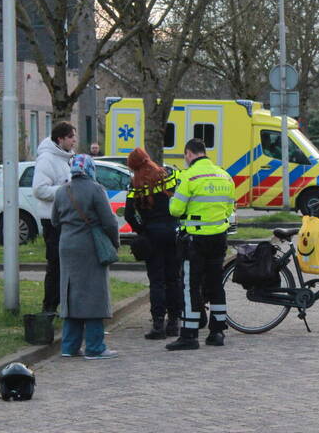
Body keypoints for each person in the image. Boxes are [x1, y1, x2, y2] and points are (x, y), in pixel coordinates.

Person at [166, 138, 235, 351]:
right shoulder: (225, 175)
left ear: (188, 154)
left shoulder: (189, 177)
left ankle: (189, 334)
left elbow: (175, 210)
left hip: (195, 241)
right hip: (219, 238)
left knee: (191, 287)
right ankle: (217, 332)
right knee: (215, 285)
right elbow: (228, 209)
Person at [51, 154, 120, 359]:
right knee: (93, 294)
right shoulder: (96, 189)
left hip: (66, 245)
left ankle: (69, 346)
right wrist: (114, 243)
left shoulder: (62, 190)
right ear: (90, 168)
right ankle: (95, 347)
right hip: (89, 246)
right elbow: (110, 222)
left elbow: (55, 220)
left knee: (70, 293)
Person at [125, 147, 183, 340]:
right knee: (173, 279)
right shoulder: (167, 176)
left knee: (156, 281)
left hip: (152, 235)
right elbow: (179, 197)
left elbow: (128, 214)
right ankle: (174, 323)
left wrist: (141, 229)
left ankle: (158, 324)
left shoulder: (135, 184)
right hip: (172, 232)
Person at [32, 121, 76, 315]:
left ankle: (65, 305)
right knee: (55, 264)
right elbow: (40, 189)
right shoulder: (47, 159)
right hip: (52, 220)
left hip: (65, 218)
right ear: (60, 139)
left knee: (66, 264)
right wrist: (66, 189)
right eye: (71, 137)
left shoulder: (66, 158)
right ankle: (49, 307)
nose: (74, 141)